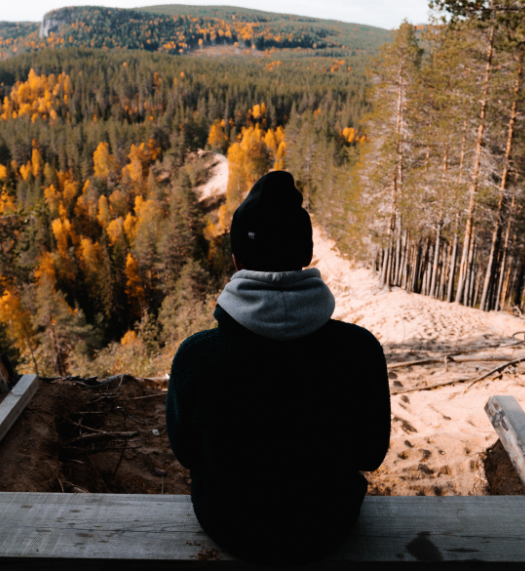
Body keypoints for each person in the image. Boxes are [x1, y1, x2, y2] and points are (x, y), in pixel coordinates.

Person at [166, 170, 391, 566]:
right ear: (306, 256)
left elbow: (186, 453)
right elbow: (371, 454)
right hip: (328, 529)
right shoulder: (360, 351)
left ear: (236, 261)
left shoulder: (196, 357)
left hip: (230, 529)